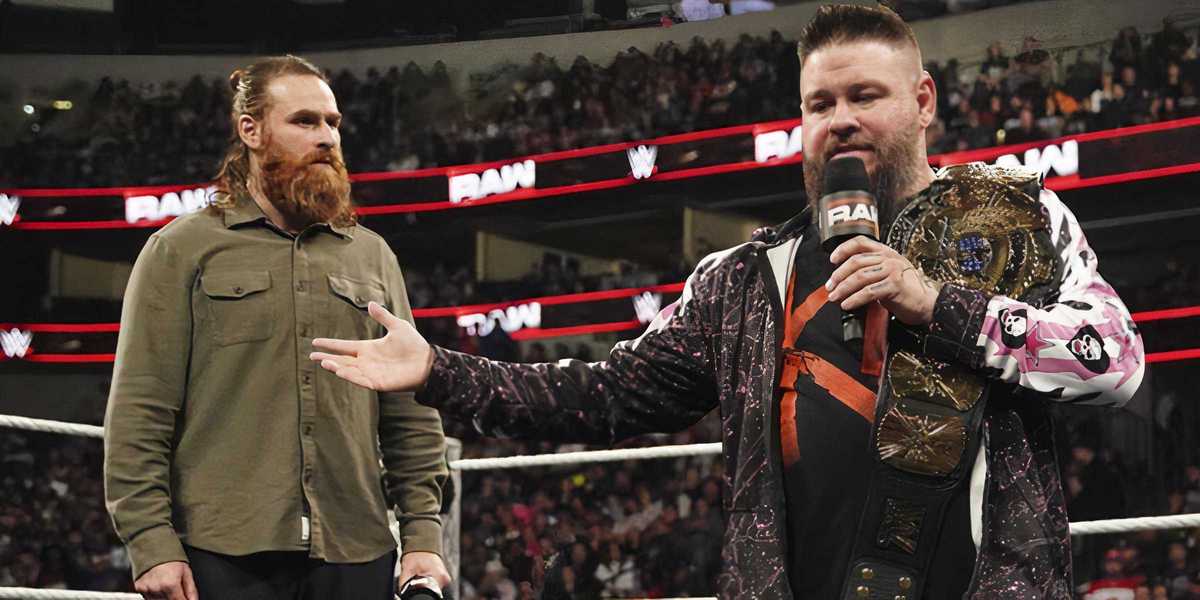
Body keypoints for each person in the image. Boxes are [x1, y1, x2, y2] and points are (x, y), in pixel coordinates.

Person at [311, 5, 1145, 599]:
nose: (840, 121)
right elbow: (605, 394)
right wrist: (439, 371)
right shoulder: (745, 277)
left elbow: (1116, 360)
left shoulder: (1019, 217)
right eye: (820, 104)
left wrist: (935, 304)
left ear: (923, 101)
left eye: (865, 96)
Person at [103, 55, 450, 600]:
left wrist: (423, 536)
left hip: (356, 547)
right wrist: (150, 541)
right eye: (305, 121)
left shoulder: (372, 256)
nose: (327, 137)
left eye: (333, 123)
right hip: (223, 549)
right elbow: (140, 409)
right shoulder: (181, 249)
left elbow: (410, 411)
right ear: (251, 130)